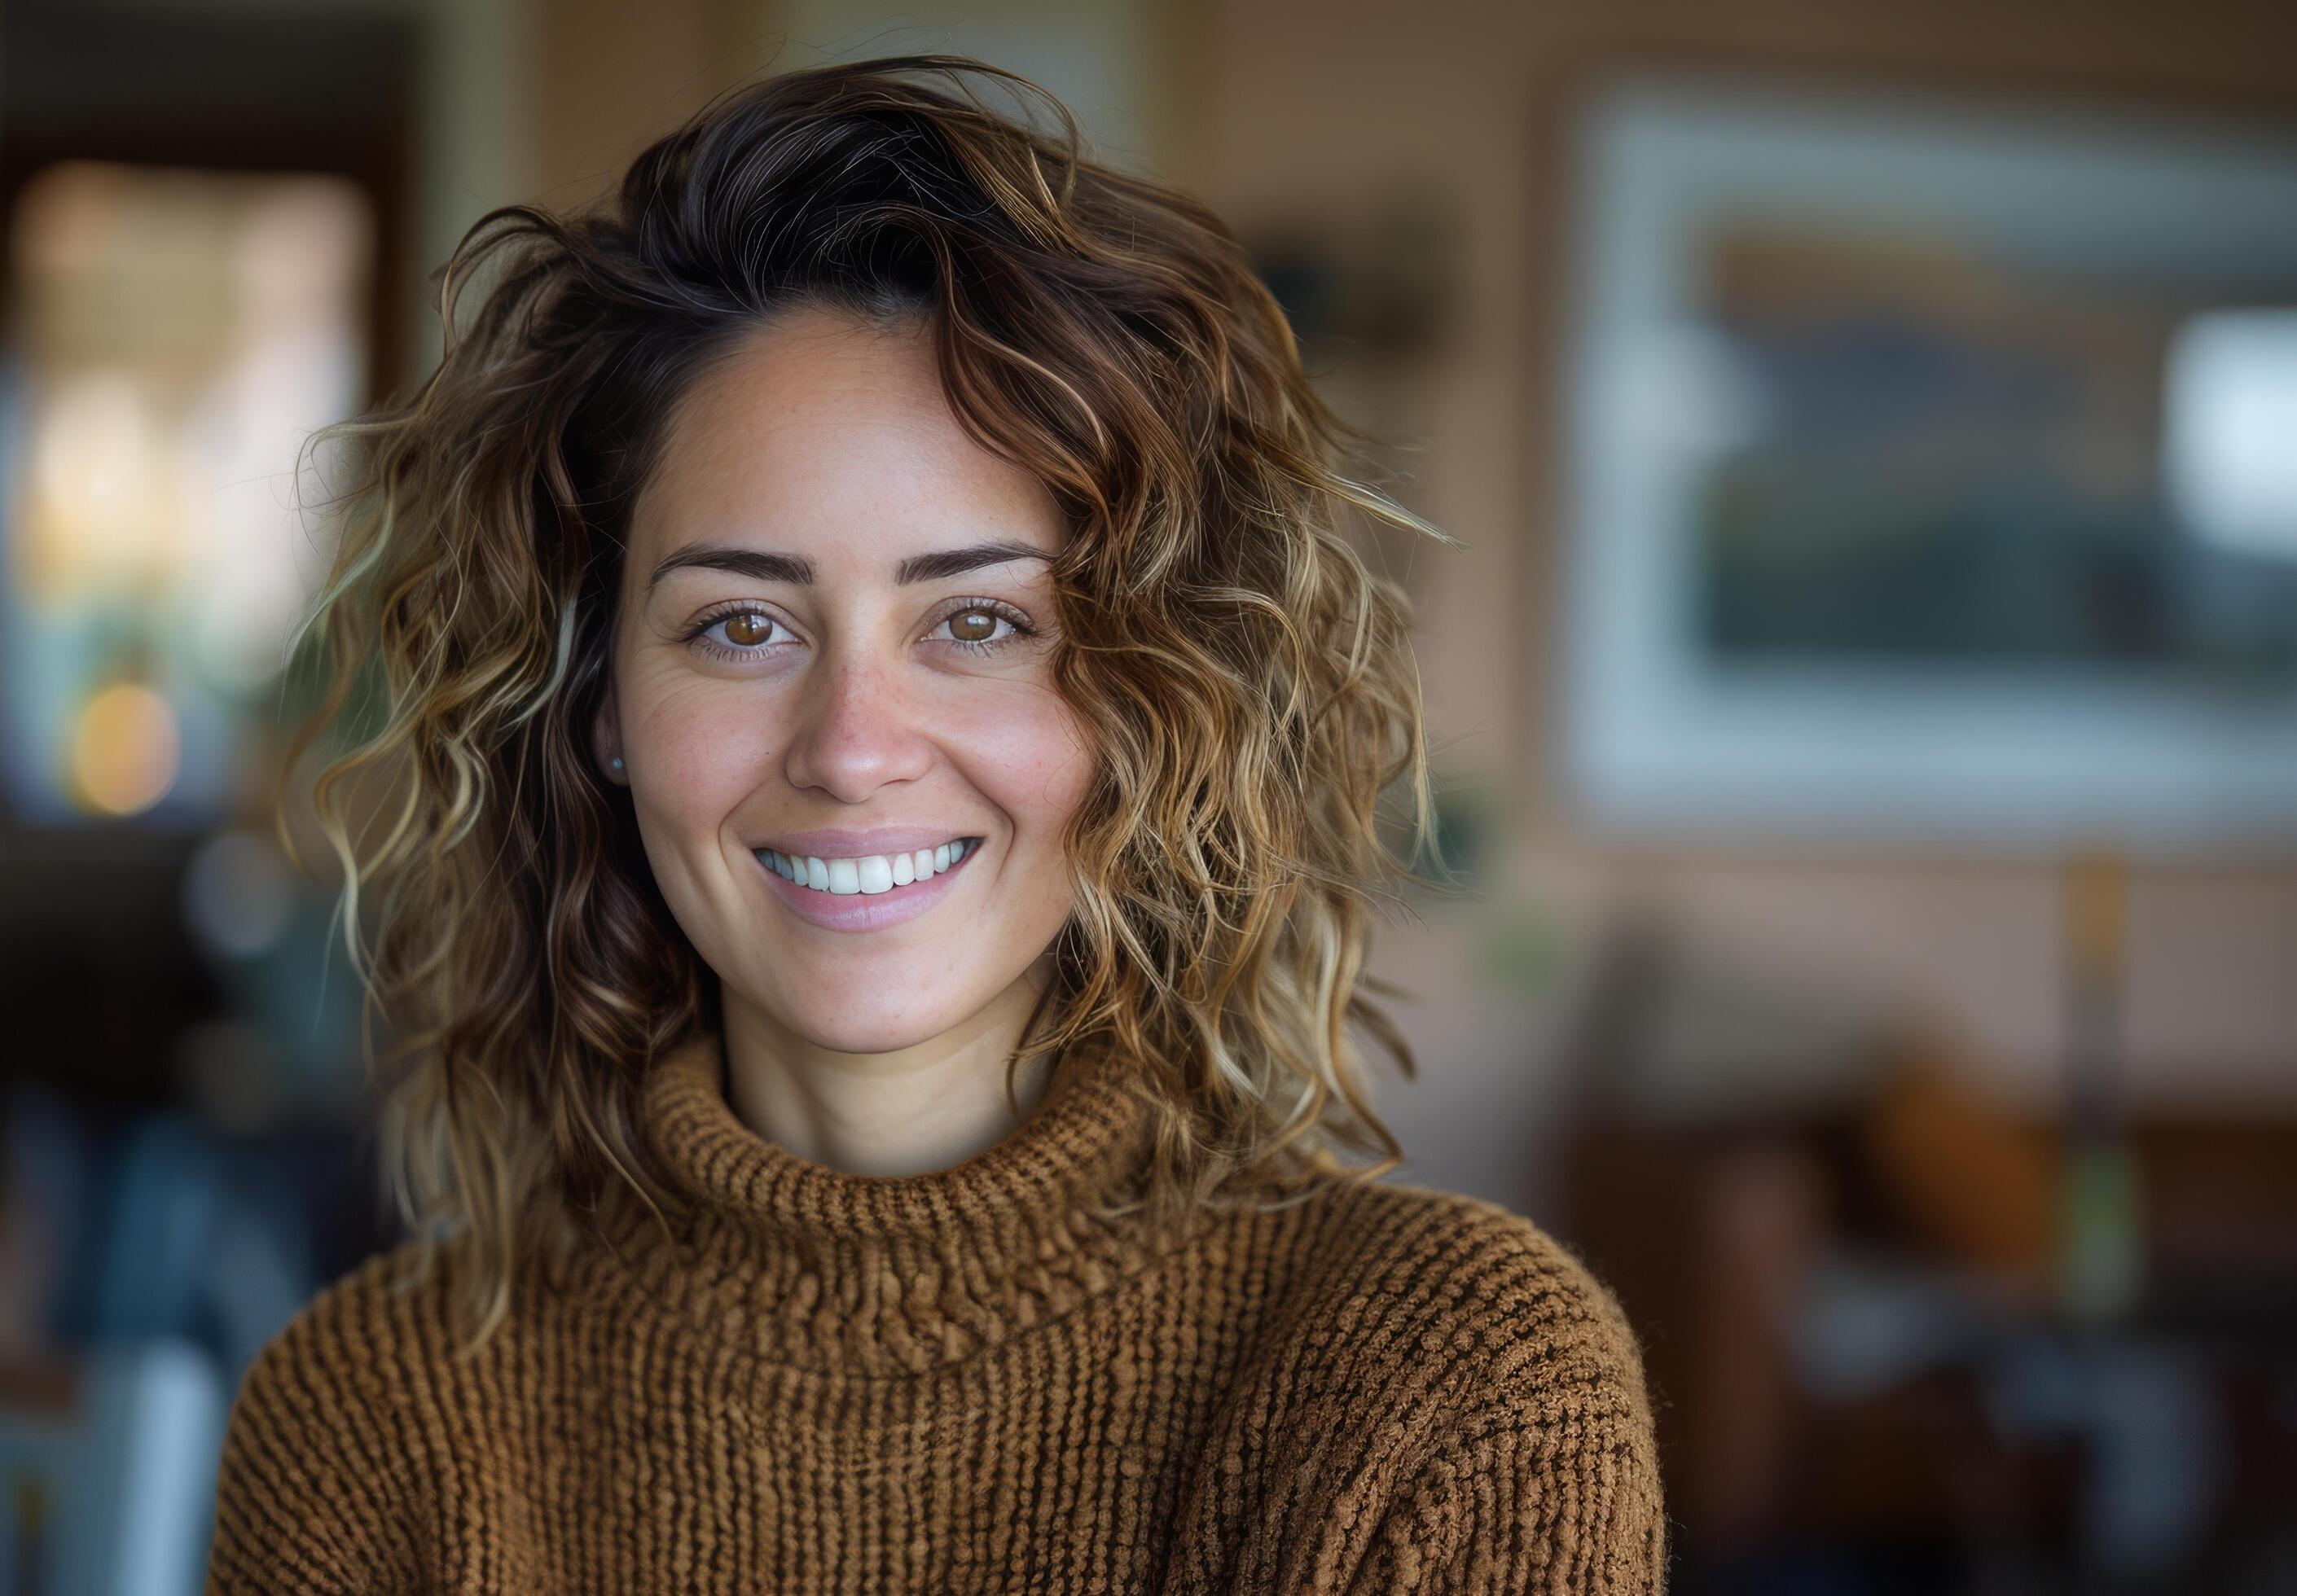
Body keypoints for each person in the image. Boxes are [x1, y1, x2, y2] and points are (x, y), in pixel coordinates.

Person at [204, 54, 1666, 1594]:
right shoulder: (368, 1424)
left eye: (976, 621)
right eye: (742, 629)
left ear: (1148, 704)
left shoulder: (1453, 1395)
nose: (850, 749)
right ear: (600, 710)